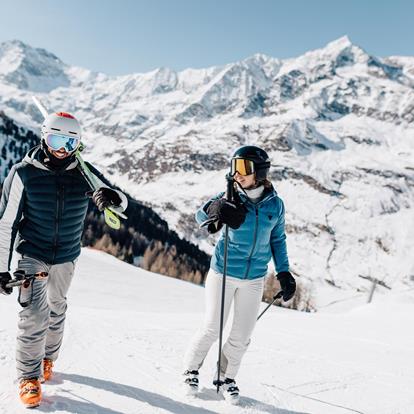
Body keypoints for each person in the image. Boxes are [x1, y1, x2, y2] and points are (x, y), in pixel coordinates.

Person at [0, 111, 128, 408]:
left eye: (70, 143)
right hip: (33, 252)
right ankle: (28, 377)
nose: (62, 149)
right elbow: (6, 223)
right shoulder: (24, 173)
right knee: (34, 314)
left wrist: (110, 196)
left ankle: (47, 359)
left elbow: (121, 205)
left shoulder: (83, 171)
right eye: (56, 140)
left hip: (67, 255)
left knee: (56, 309)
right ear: (44, 137)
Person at [183, 145, 296, 403]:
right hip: (223, 272)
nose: (238, 173)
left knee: (242, 335)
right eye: (234, 167)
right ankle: (190, 370)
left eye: (244, 167)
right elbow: (201, 214)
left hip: (254, 278)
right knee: (212, 328)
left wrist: (284, 272)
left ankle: (226, 377)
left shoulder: (275, 205)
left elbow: (277, 240)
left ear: (260, 171)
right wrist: (218, 208)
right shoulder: (229, 195)